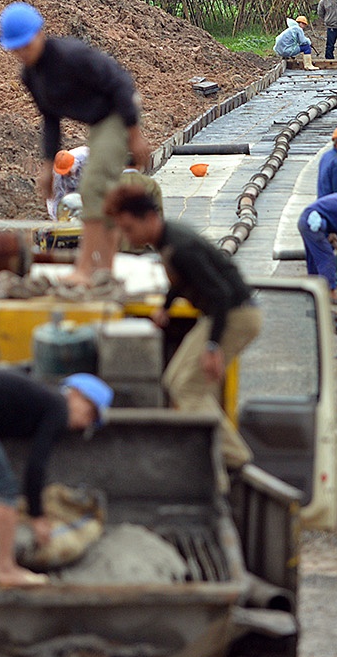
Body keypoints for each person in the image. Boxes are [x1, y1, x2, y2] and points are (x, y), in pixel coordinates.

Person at [106, 184, 263, 471]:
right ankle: (217, 454)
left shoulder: (180, 247)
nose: (126, 236)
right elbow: (179, 281)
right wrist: (165, 308)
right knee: (174, 380)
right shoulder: (166, 241)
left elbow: (221, 295)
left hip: (235, 315)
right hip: (224, 313)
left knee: (187, 388)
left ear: (149, 218)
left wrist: (213, 347)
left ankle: (234, 457)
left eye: (128, 228)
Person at [1, 2, 150, 286]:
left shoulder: (71, 56)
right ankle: (105, 269)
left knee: (92, 186)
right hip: (98, 123)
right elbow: (50, 120)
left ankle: (85, 267)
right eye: (16, 48)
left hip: (119, 113)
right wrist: (47, 169)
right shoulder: (31, 76)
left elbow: (120, 84)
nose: (22, 53)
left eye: (26, 44)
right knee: (102, 196)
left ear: (40, 33)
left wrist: (135, 134)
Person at [0, 367, 112, 588]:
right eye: (90, 412)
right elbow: (36, 466)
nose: (86, 422)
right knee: (5, 489)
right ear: (74, 393)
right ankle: (5, 569)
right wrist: (37, 517)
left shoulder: (38, 401)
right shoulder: (58, 407)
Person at [46, 145, 87, 219]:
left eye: (67, 171)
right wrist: (56, 220)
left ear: (73, 163)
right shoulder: (57, 175)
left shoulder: (85, 155)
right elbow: (55, 199)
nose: (65, 174)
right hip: (72, 189)